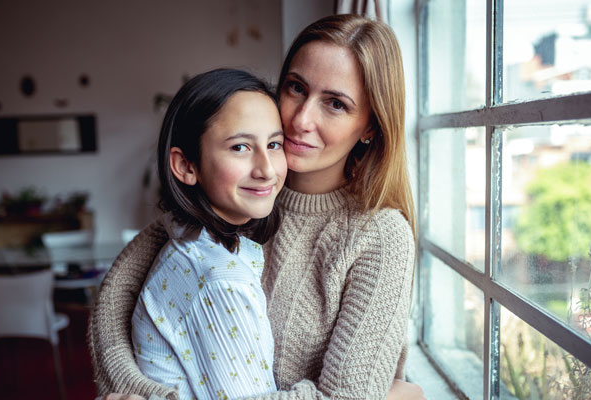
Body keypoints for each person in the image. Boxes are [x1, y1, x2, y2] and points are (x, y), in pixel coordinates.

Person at [89, 14, 423, 399]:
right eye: (296, 88)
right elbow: (116, 294)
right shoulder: (240, 189)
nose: (301, 119)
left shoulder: (379, 236)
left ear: (370, 126)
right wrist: (142, 392)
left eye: (335, 104)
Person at [130, 68, 286, 399]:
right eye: (241, 147)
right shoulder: (220, 280)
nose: (267, 169)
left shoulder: (191, 241)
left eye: (274, 144)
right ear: (187, 166)